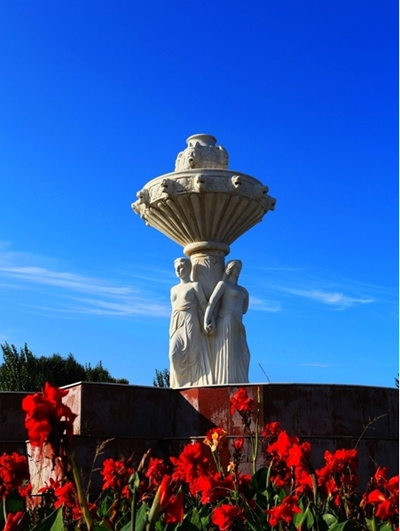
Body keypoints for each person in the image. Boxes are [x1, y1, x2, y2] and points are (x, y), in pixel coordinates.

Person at [204, 260, 250, 384]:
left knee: (245, 354)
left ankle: (241, 380)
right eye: (236, 267)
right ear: (230, 268)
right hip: (227, 320)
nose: (238, 270)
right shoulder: (223, 284)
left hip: (238, 322)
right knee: (228, 351)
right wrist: (206, 320)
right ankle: (226, 381)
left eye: (240, 267)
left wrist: (245, 296)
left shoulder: (243, 290)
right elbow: (212, 303)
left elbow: (244, 310)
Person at [169, 258, 212, 388]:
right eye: (176, 268)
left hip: (190, 320)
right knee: (173, 354)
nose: (178, 270)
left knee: (193, 353)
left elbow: (204, 304)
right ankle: (179, 386)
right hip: (176, 321)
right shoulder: (173, 289)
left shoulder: (195, 286)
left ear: (188, 268)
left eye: (181, 267)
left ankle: (193, 382)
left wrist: (209, 321)